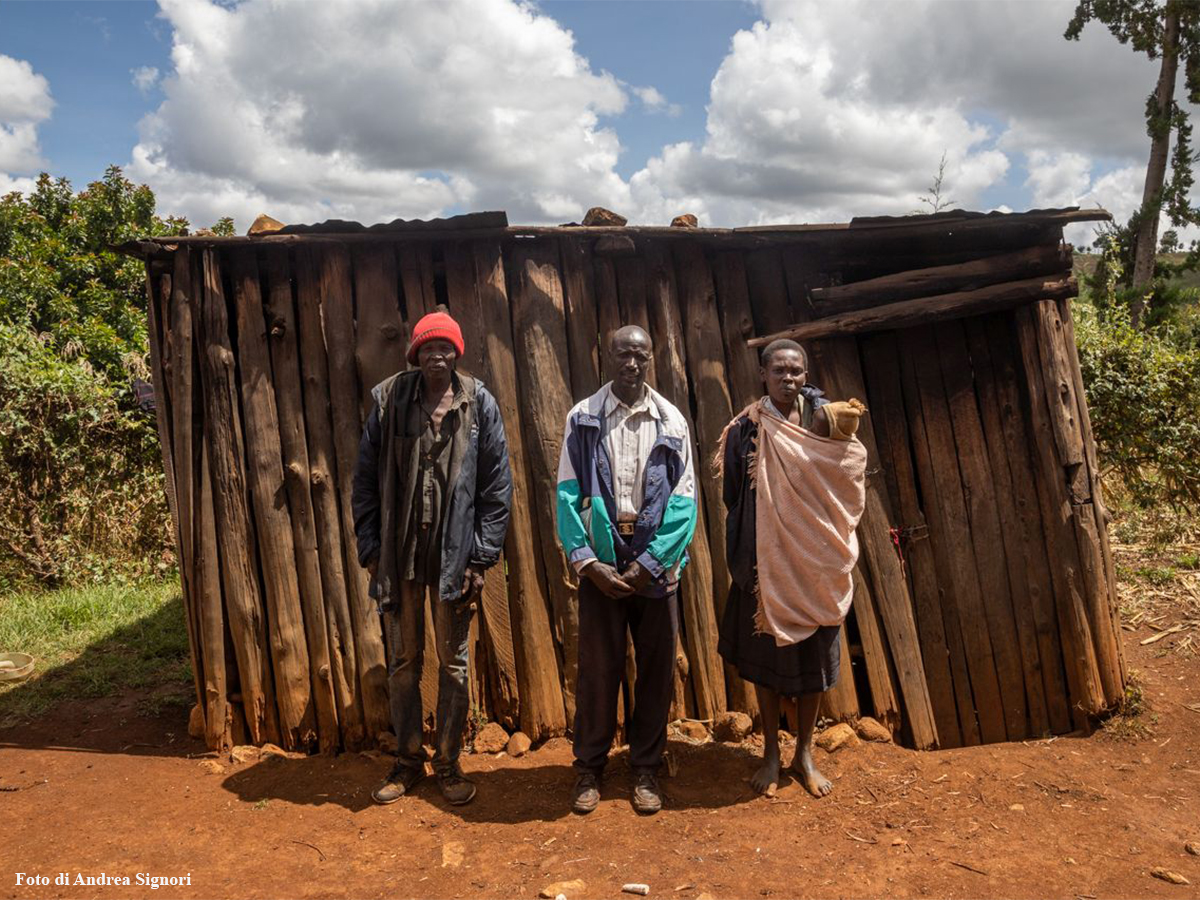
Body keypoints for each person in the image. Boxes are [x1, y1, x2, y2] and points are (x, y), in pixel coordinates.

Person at [352, 310, 513, 807]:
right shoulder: (390, 400)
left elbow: (496, 488)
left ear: (456, 354)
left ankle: (447, 763)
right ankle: (407, 761)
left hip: (455, 558)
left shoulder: (478, 403)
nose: (437, 356)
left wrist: (480, 559)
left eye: (445, 348)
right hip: (399, 557)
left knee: (453, 663)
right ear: (415, 355)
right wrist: (371, 548)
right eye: (428, 348)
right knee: (403, 661)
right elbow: (364, 480)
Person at [555, 325, 698, 816]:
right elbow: (567, 493)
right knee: (598, 670)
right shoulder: (583, 417)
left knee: (656, 671)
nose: (631, 363)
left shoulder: (672, 421)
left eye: (640, 355)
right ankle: (589, 768)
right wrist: (588, 563)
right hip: (601, 560)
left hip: (656, 566)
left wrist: (650, 564)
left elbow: (684, 502)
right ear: (607, 355)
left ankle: (646, 768)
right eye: (622, 354)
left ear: (651, 358)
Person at [716, 339, 867, 798]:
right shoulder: (746, 429)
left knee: (815, 662)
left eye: (796, 371)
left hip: (817, 562)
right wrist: (767, 534)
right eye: (779, 370)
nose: (788, 379)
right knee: (767, 661)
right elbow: (733, 496)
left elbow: (847, 474)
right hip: (766, 564)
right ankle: (770, 754)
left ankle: (804, 753)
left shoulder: (829, 420)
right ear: (763, 374)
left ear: (806, 374)